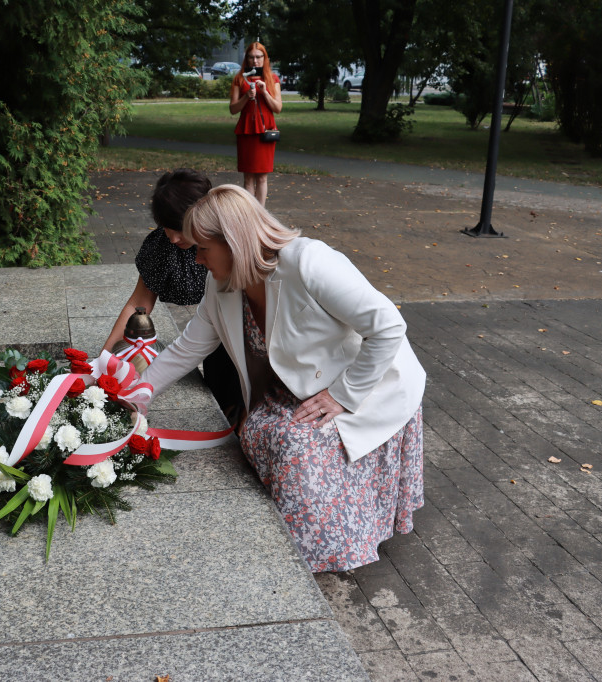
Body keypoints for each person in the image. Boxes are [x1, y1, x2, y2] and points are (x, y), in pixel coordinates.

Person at [140, 185, 426, 573]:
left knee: (294, 446)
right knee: (257, 429)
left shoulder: (309, 262)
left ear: (234, 242)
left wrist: (343, 395)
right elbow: (186, 350)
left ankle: (317, 553)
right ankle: (294, 525)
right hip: (303, 388)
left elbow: (389, 327)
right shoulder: (220, 284)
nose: (196, 259)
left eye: (202, 249)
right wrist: (137, 393)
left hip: (369, 386)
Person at [103, 169, 244, 424]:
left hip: (235, 326)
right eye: (169, 228)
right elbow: (138, 303)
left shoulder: (226, 245)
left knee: (231, 387)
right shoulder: (162, 246)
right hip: (208, 324)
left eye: (181, 229)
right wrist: (106, 358)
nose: (175, 237)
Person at [229, 42, 283, 207]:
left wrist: (264, 92)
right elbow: (233, 109)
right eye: (251, 57)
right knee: (248, 177)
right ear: (247, 58)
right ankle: (249, 213)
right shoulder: (239, 78)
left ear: (265, 58)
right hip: (246, 130)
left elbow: (278, 108)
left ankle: (261, 214)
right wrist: (247, 97)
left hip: (265, 130)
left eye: (259, 57)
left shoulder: (272, 79)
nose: (255, 61)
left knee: (262, 176)